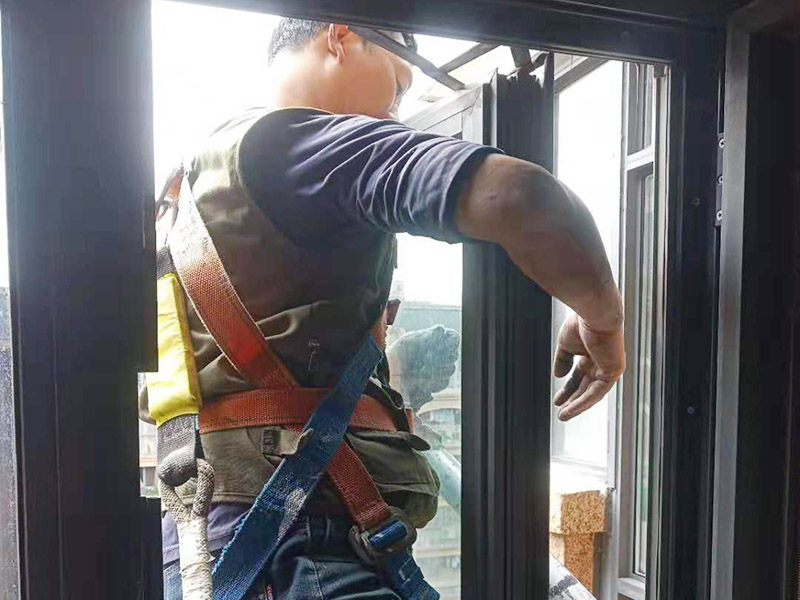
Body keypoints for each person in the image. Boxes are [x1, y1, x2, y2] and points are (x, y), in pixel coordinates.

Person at [152, 18, 625, 600]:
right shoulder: (301, 142)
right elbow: (523, 197)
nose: (396, 114)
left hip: (221, 537)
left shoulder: (192, 187)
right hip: (297, 538)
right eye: (398, 84)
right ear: (341, 36)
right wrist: (603, 320)